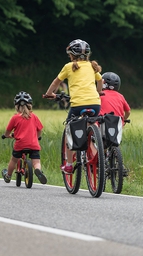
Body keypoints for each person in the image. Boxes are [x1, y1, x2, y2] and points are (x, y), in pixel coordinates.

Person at [43, 39, 103, 174]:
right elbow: (100, 80)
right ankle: (95, 151)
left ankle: (69, 164)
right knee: (90, 127)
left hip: (78, 105)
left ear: (71, 55)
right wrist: (99, 92)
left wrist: (49, 94)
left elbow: (56, 82)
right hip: (95, 103)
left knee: (69, 130)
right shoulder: (92, 66)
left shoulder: (68, 66)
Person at [1, 91, 47, 184]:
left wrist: (6, 135)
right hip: (34, 144)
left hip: (20, 145)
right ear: (30, 105)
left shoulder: (15, 118)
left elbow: (8, 131)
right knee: (36, 161)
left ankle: (8, 176)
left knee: (13, 160)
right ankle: (38, 171)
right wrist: (37, 138)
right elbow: (40, 130)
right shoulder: (34, 117)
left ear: (16, 106)